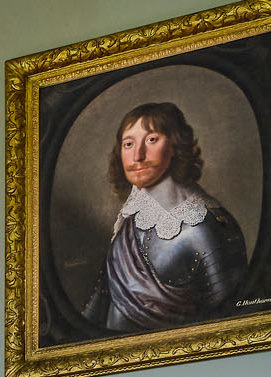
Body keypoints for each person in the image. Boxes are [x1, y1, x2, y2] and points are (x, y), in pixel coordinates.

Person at [83, 101, 248, 333]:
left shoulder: (205, 227)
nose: (138, 156)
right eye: (128, 144)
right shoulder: (132, 220)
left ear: (175, 145)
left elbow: (231, 323)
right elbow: (99, 304)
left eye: (151, 140)